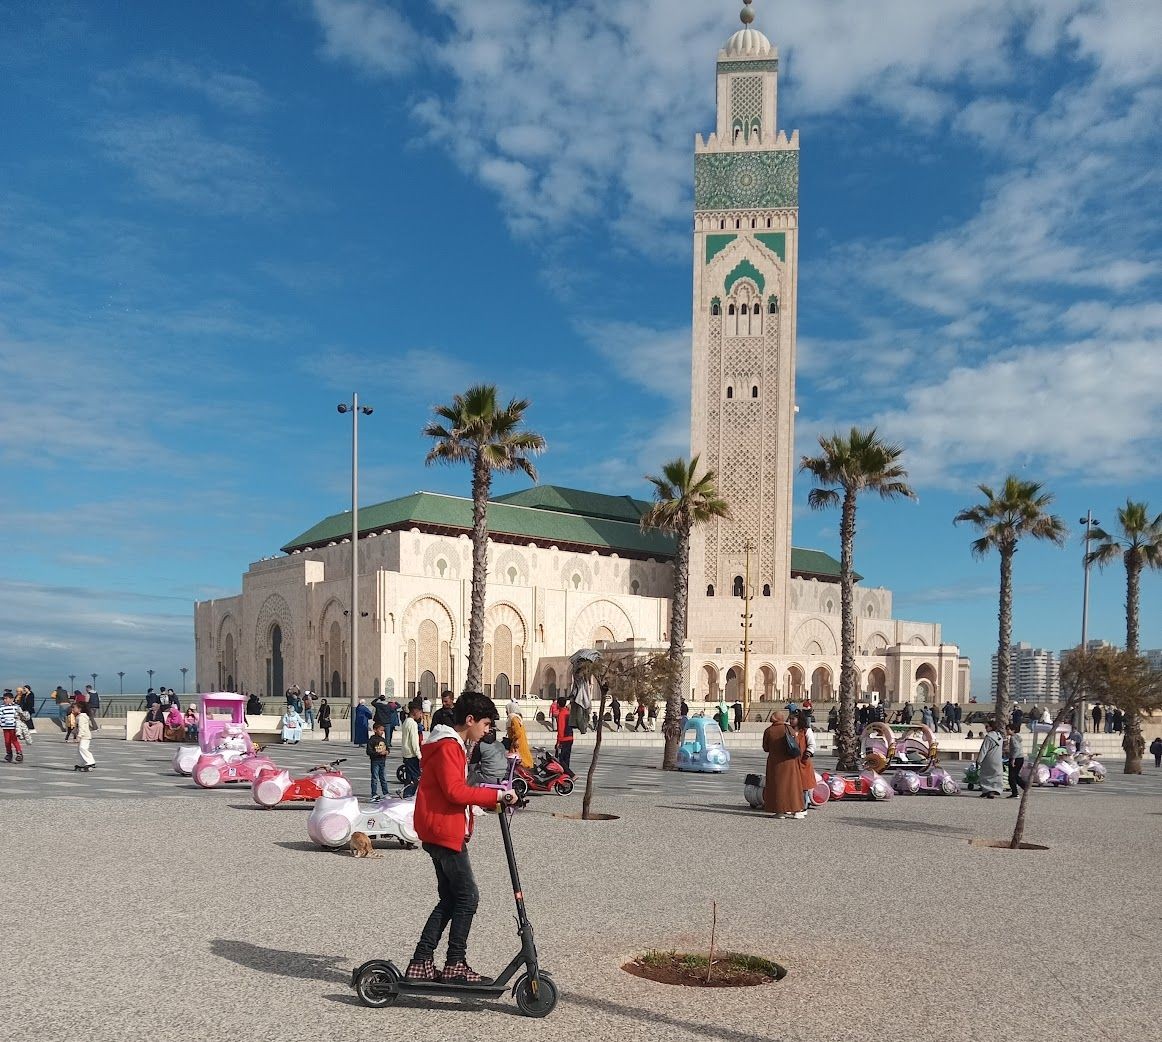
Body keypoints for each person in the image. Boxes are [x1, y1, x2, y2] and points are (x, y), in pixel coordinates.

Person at [405, 691, 519, 984]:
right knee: (467, 898)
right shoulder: (447, 746)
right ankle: (454, 964)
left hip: (440, 828)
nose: (488, 730)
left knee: (450, 898)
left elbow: (454, 790)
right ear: (470, 720)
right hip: (443, 831)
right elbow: (454, 791)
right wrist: (496, 794)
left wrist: (489, 800)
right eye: (485, 724)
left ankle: (422, 962)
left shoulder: (449, 744)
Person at [762, 710, 804, 819]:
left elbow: (765, 748)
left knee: (778, 787)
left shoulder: (769, 731)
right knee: (793, 786)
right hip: (790, 762)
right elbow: (796, 743)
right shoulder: (788, 728)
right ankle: (797, 810)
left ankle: (780, 811)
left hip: (775, 763)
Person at [791, 709, 816, 812]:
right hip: (792, 762)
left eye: (793, 718)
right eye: (790, 719)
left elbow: (812, 744)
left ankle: (804, 805)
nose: (791, 721)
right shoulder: (789, 730)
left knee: (804, 785)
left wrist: (807, 754)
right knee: (792, 784)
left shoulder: (806, 730)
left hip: (803, 761)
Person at [974, 721, 1004, 799]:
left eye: (987, 727)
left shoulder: (989, 737)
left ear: (991, 727)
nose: (986, 728)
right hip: (998, 759)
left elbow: (984, 749)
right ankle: (994, 790)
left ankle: (987, 790)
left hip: (989, 759)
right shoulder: (999, 736)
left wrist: (979, 760)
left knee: (986, 775)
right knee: (995, 775)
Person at [400, 700, 424, 796]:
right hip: (412, 755)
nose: (421, 715)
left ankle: (406, 795)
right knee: (416, 778)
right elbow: (414, 742)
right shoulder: (413, 724)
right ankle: (408, 796)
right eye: (420, 712)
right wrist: (419, 755)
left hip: (406, 754)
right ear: (415, 711)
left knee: (409, 778)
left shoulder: (406, 722)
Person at [367, 723, 389, 799]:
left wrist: (386, 752)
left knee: (383, 778)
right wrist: (378, 753)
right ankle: (374, 793)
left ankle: (385, 793)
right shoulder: (372, 740)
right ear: (375, 730)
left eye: (383, 730)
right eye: (380, 730)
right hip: (375, 761)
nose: (382, 732)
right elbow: (369, 751)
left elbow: (387, 749)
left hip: (382, 761)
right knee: (375, 778)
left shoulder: (383, 740)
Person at [2, 691, 25, 763]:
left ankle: (19, 753)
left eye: (6, 698)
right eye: (4, 699)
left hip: (14, 726)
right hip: (5, 727)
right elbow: (1, 716)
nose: (5, 700)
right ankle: (9, 754)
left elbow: (21, 715)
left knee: (14, 740)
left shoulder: (16, 707)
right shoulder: (2, 707)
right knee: (7, 741)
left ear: (12, 699)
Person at [555, 695, 574, 774]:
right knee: (566, 759)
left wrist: (558, 742)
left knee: (561, 759)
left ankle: (571, 774)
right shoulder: (568, 712)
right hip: (570, 738)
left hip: (564, 739)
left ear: (558, 704)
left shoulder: (561, 714)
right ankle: (566, 776)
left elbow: (561, 729)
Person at [1005, 725, 1025, 798]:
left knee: (1011, 777)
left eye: (1008, 729)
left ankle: (1015, 793)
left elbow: (1016, 748)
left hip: (1016, 758)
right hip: (1020, 757)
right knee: (1015, 775)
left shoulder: (1013, 738)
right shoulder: (1017, 737)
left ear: (1012, 730)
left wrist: (1013, 759)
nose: (1007, 731)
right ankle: (1025, 787)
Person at [75, 707, 95, 772]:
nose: (72, 709)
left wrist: (79, 736)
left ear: (79, 709)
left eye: (73, 708)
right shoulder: (79, 716)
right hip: (83, 736)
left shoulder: (81, 717)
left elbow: (82, 728)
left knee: (83, 748)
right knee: (79, 750)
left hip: (85, 736)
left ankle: (90, 762)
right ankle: (81, 763)